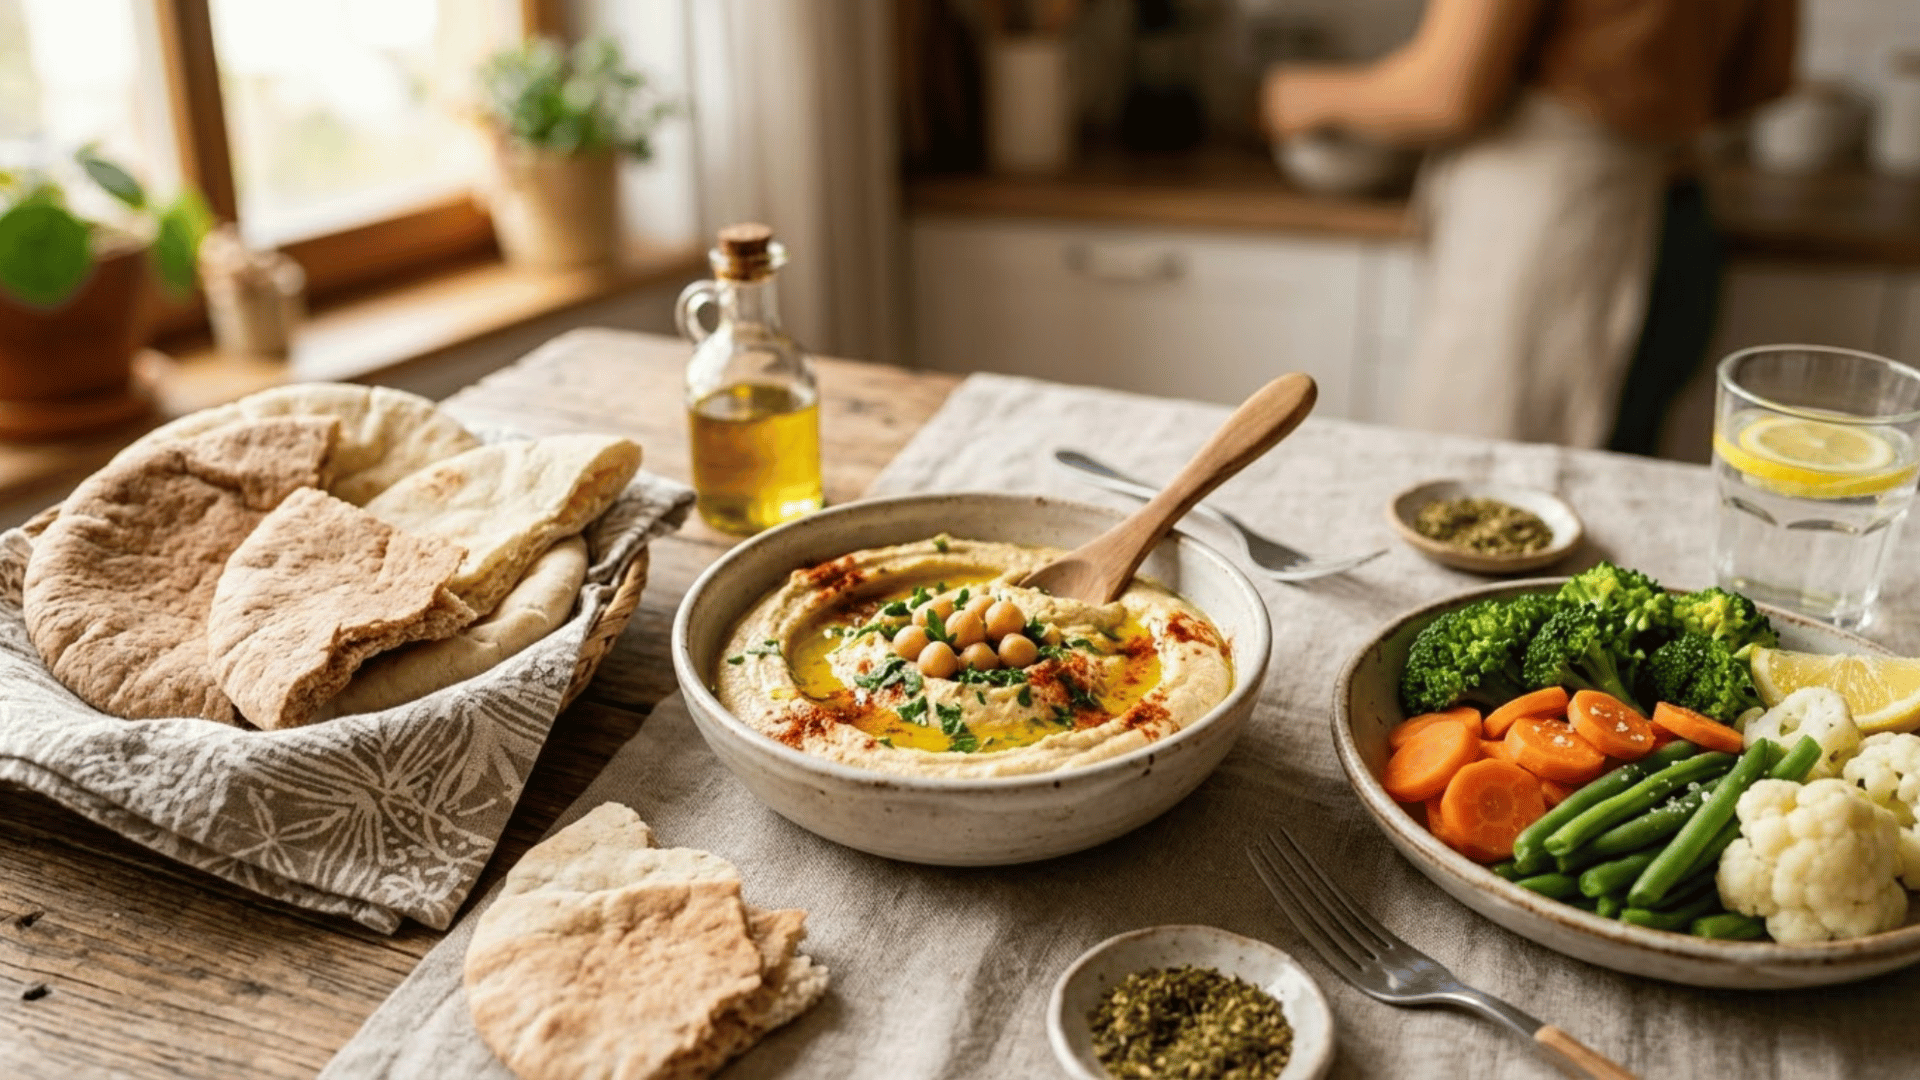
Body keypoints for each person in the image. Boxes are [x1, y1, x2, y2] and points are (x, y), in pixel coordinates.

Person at [1262, 0, 1797, 449]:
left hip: (1554, 242)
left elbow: (1447, 91)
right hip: (1676, 225)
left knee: (1476, 502)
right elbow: (1764, 76)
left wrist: (1290, 95)